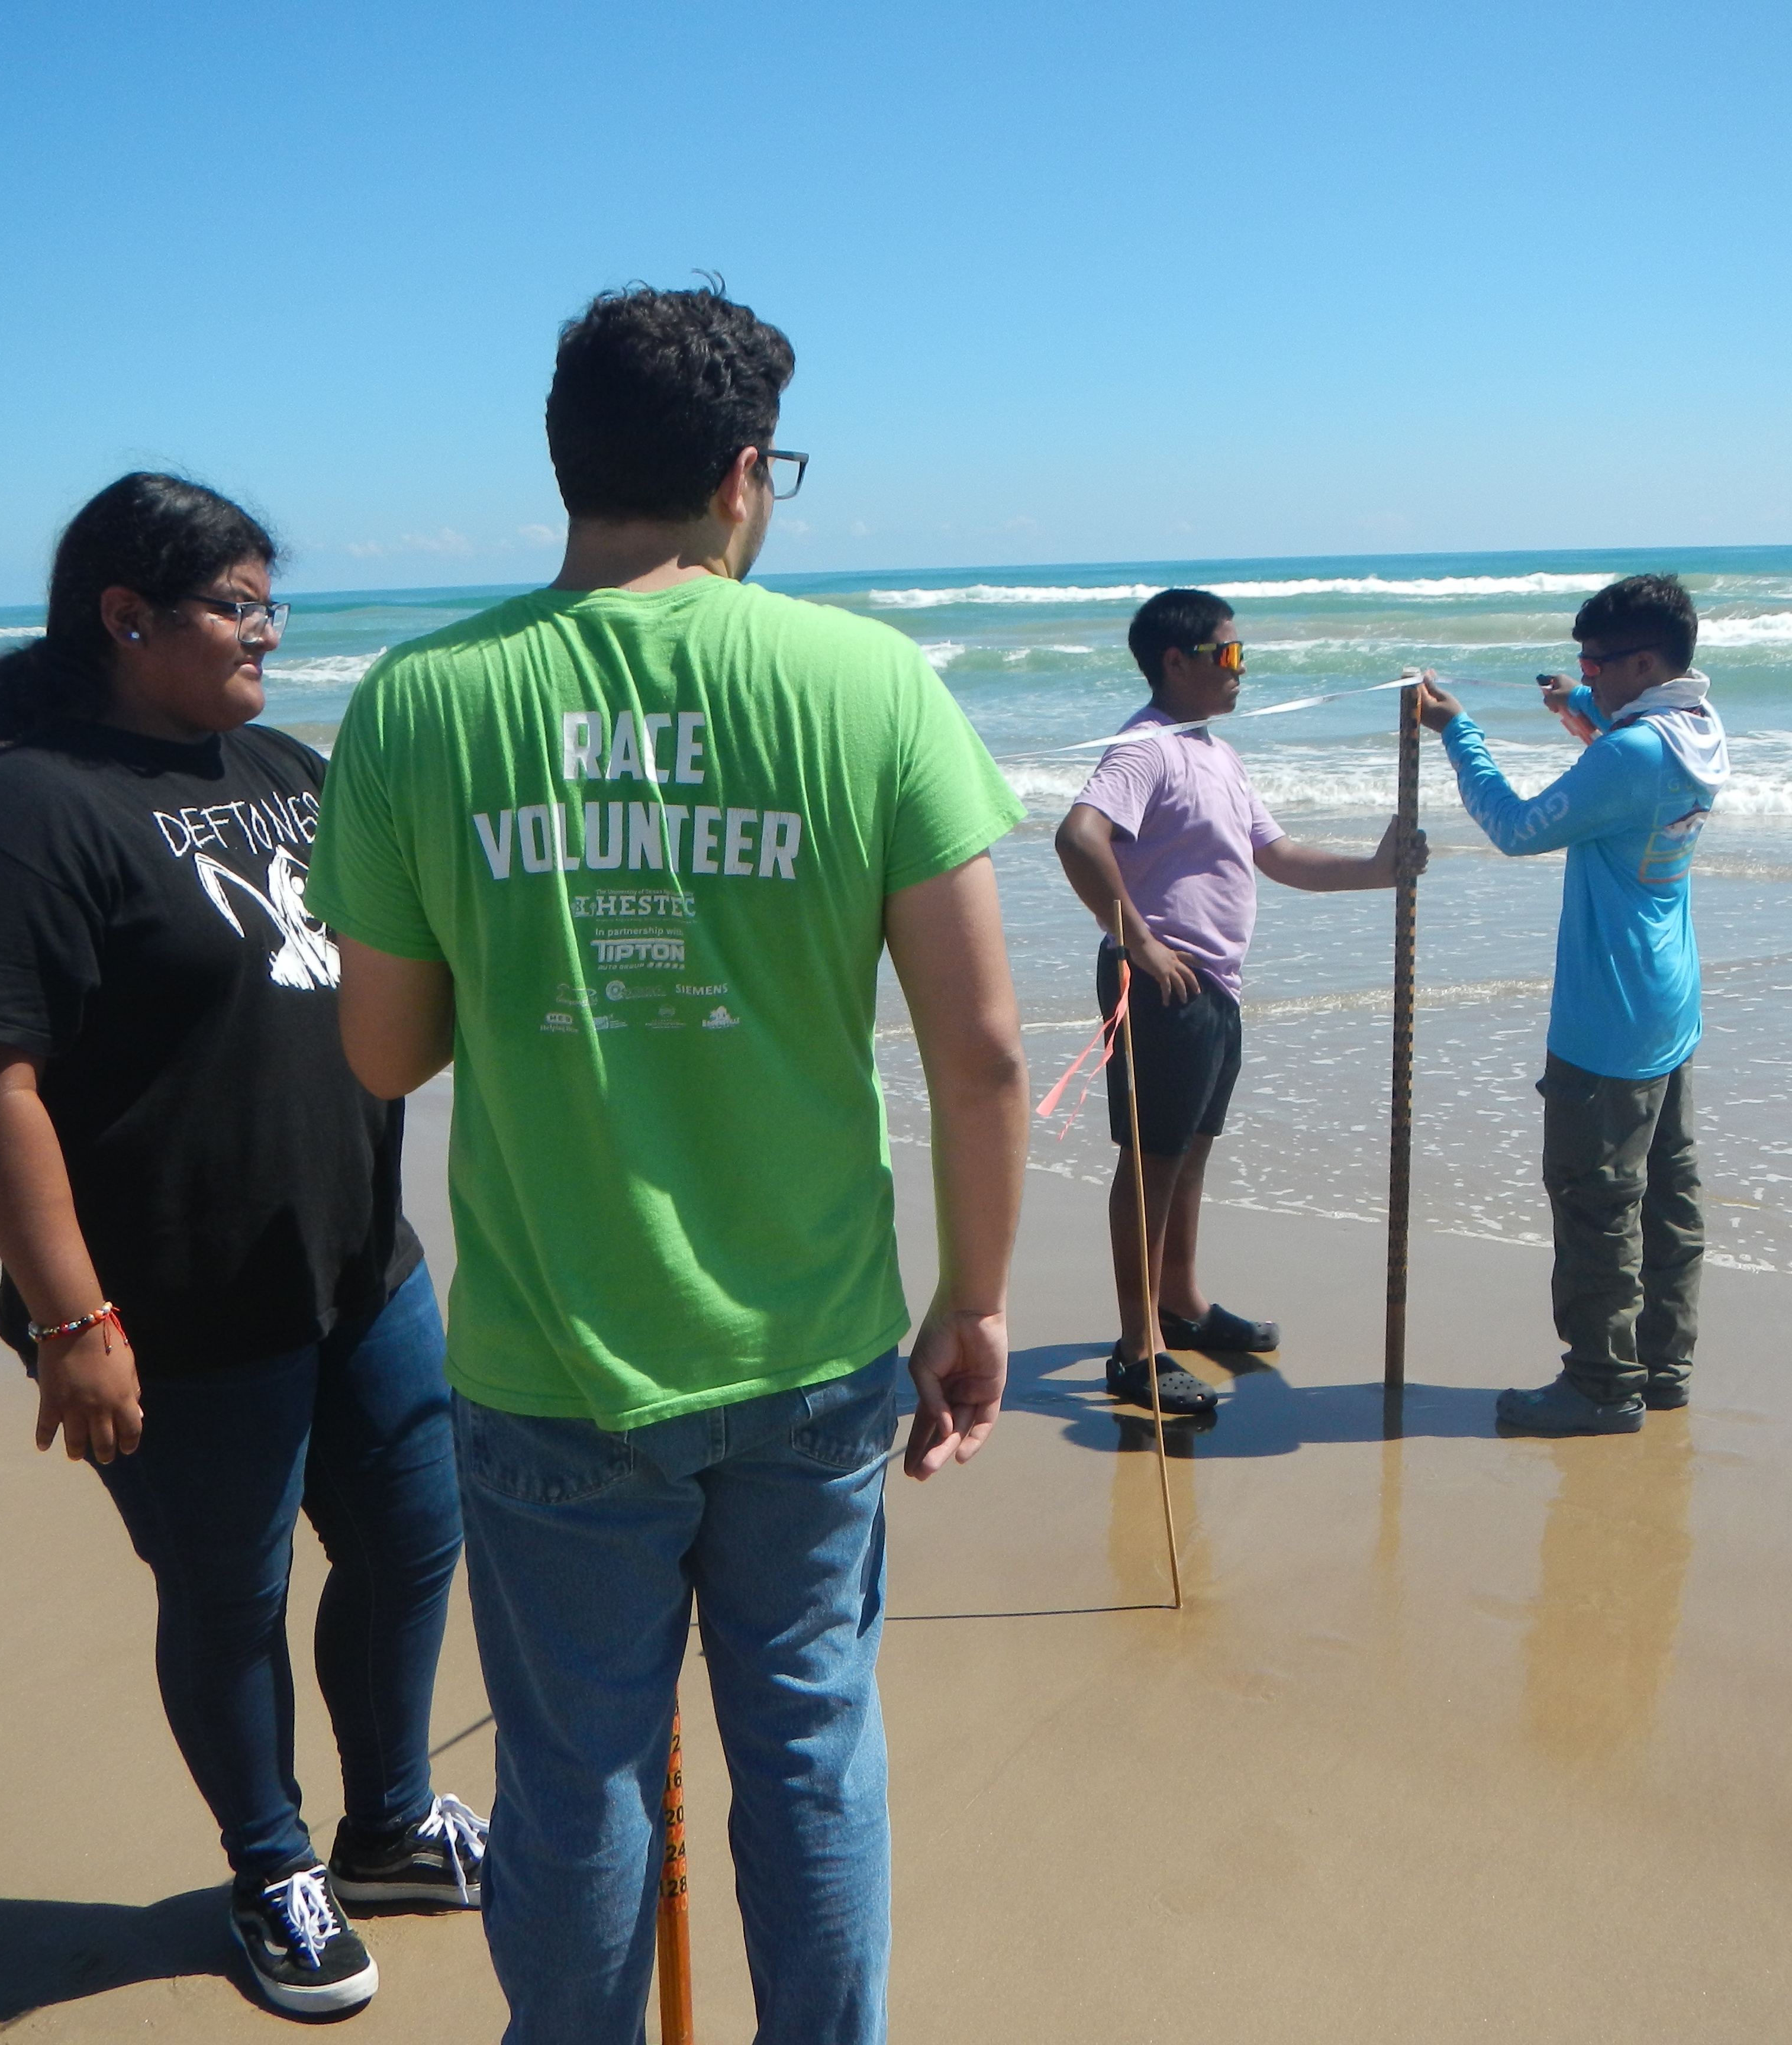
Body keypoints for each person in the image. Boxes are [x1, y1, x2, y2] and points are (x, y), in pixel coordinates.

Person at [305, 285, 1030, 2045]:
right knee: (806, 1747)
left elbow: (387, 1053)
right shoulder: (869, 683)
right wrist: (976, 1307)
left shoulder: (422, 703)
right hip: (812, 1351)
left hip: (555, 1362)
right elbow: (985, 1053)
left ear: (567, 465)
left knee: (578, 1772)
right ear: (739, 474)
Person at [0, 473, 484, 2019]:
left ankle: (389, 1826)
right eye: (240, 604)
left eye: (266, 600)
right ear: (128, 617)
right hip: (174, 1307)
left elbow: (390, 955)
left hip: (361, 1270)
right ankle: (273, 1863)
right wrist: (72, 1320)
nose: (270, 631)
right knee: (228, 1595)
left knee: (413, 1542)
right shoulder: (27, 815)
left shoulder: (285, 765)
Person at [1052, 590, 1429, 1415]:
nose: (1242, 669)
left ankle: (1181, 1305)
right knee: (1150, 1163)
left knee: (1190, 1153)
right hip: (1161, 982)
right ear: (1176, 663)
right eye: (1226, 656)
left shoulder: (1216, 755)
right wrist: (1141, 943)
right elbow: (1078, 837)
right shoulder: (1146, 747)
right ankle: (1136, 1347)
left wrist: (1378, 868)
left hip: (1215, 983)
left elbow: (1278, 853)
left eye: (1241, 653)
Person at [1414, 572, 1729, 1436]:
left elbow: (1517, 828)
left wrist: (1458, 732)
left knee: (1596, 1201)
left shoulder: (1630, 753)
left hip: (1608, 1015)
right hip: (1669, 1002)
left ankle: (1598, 1384)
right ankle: (1663, 1369)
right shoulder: (1695, 728)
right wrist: (1578, 706)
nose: (1583, 671)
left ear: (1642, 663)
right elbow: (1621, 758)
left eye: (1595, 661)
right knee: (1667, 1197)